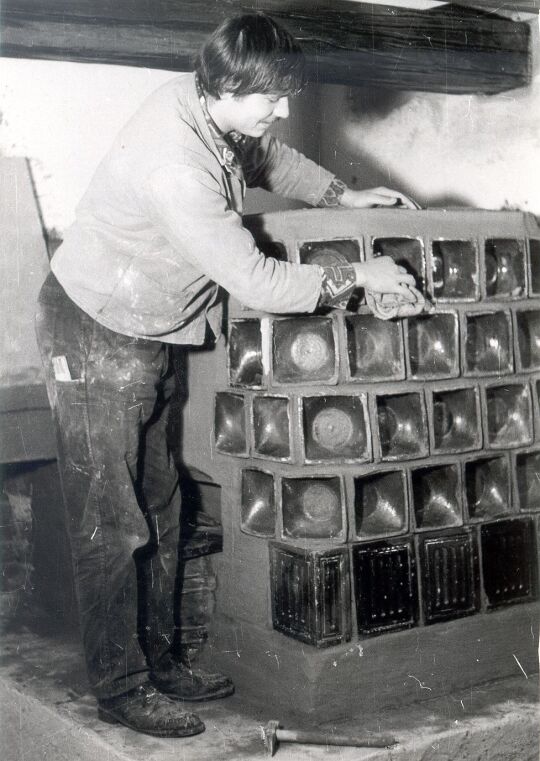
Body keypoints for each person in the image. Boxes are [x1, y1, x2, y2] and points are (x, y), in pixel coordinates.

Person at [35, 12, 420, 738]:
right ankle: (121, 685)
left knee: (160, 502)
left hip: (149, 327)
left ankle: (157, 655)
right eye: (270, 98)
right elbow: (257, 278)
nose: (280, 110)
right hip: (94, 330)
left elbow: (265, 155)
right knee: (112, 519)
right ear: (227, 87)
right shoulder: (174, 165)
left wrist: (342, 197)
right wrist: (359, 273)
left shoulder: (205, 102)